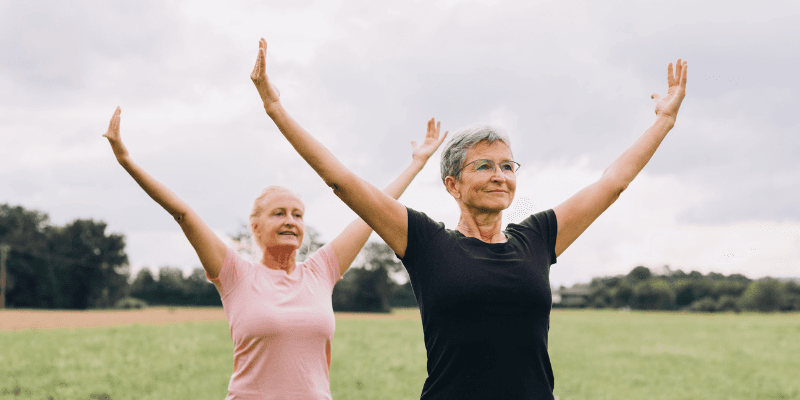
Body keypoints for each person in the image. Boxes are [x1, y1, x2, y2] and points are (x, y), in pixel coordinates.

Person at [250, 38, 687, 399]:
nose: (499, 176)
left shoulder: (537, 237)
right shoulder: (425, 242)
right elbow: (340, 179)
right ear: (452, 184)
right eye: (483, 166)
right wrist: (275, 109)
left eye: (507, 166)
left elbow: (611, 184)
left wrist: (663, 123)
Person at [102, 102, 446, 399]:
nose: (290, 221)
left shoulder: (321, 270)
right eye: (279, 213)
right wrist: (127, 161)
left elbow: (374, 212)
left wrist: (416, 163)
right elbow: (184, 213)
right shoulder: (235, 274)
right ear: (255, 226)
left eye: (298, 215)